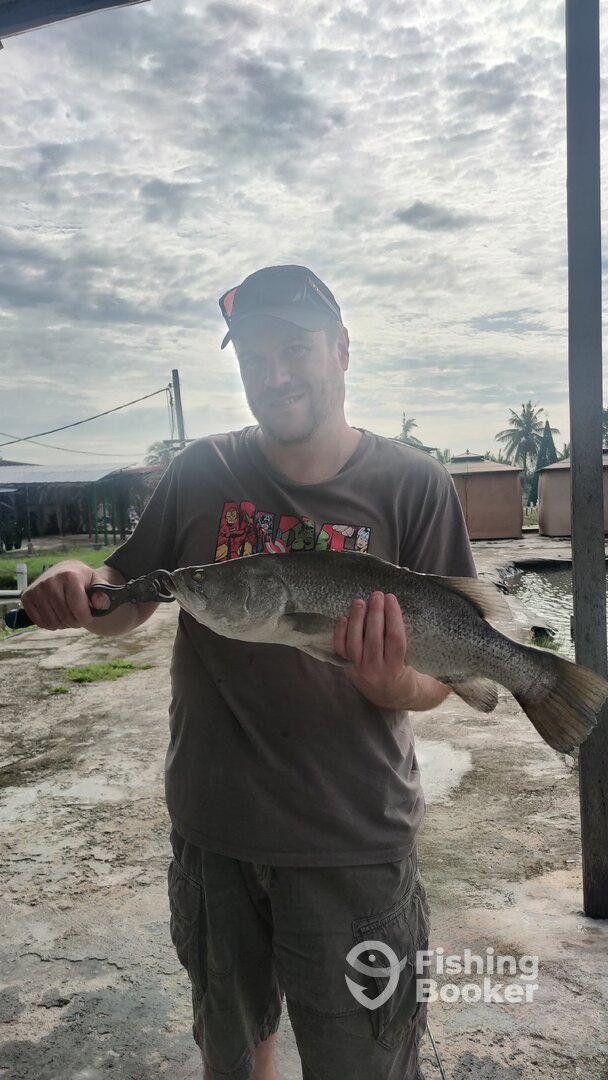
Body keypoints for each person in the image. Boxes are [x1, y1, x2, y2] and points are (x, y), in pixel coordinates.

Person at [21, 264, 476, 1080]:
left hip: (353, 842)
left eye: (295, 348)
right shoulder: (201, 471)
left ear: (341, 349)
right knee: (232, 1058)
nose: (275, 373)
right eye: (255, 356)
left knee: (365, 1064)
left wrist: (393, 686)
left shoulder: (416, 485)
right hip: (215, 835)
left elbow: (445, 674)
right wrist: (78, 582)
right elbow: (131, 592)